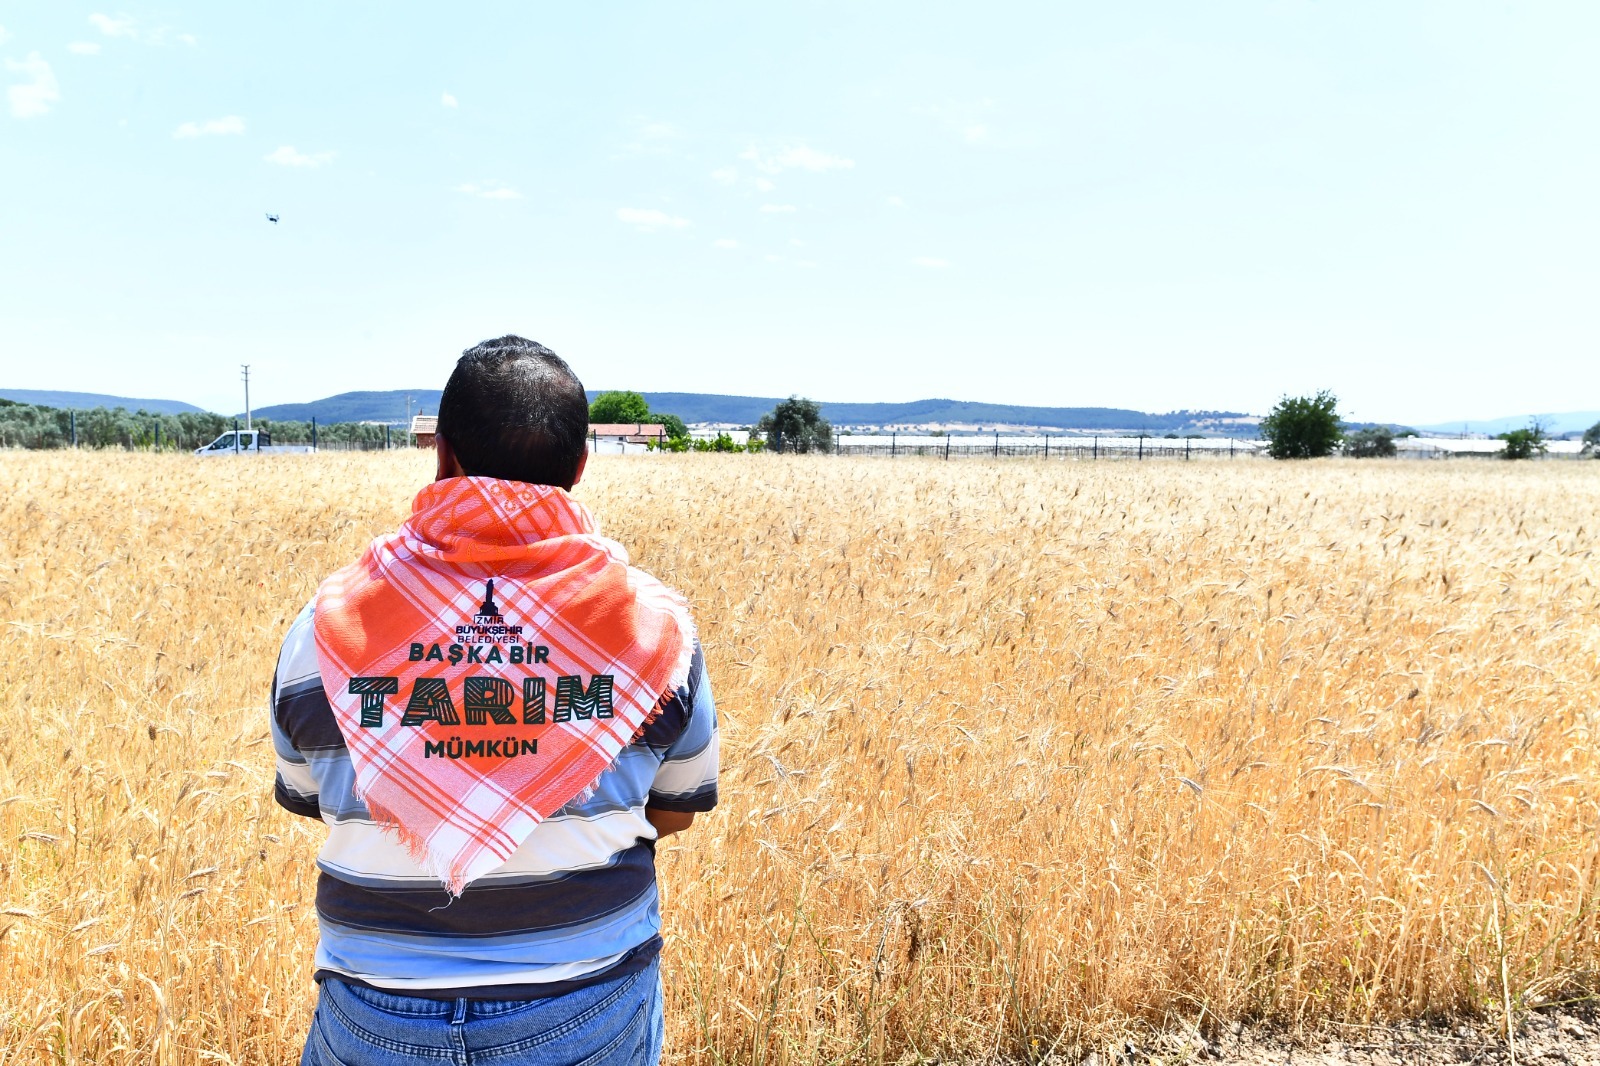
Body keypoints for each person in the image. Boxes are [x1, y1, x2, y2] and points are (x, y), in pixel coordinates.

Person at [270, 336, 719, 1065]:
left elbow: (311, 798)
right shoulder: (657, 630)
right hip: (587, 1006)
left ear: (442, 455)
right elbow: (677, 809)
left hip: (373, 1011)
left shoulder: (324, 628)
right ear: (579, 467)